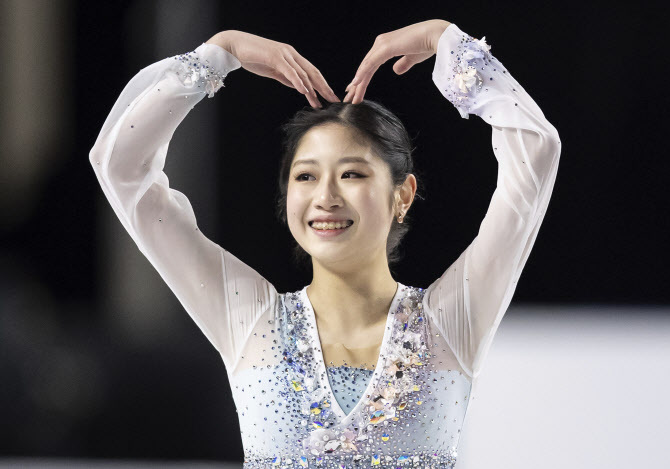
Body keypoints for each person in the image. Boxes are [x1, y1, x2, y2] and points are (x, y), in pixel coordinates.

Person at [89, 18, 561, 468]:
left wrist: (446, 41)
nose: (326, 197)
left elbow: (536, 152)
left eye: (352, 174)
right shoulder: (251, 320)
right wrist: (220, 53)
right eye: (306, 176)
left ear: (402, 195)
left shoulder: (451, 320)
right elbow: (121, 167)